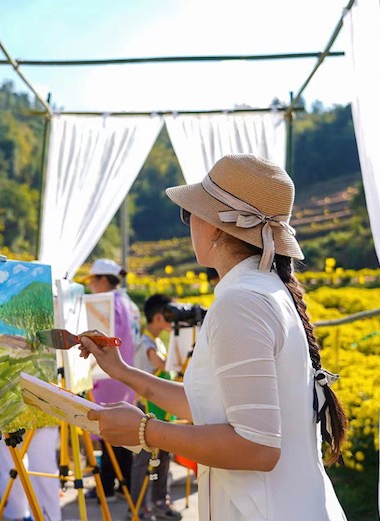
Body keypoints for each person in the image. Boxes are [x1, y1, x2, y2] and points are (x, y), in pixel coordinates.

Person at [79, 154, 348, 520]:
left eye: (190, 213)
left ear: (218, 227)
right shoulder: (262, 291)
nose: (188, 225)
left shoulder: (242, 302)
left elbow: (257, 448)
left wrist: (145, 430)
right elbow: (212, 405)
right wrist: (123, 371)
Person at [83, 258, 136, 501]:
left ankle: (106, 487)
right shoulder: (126, 302)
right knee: (122, 432)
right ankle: (125, 482)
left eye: (93, 280)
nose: (91, 285)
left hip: (107, 375)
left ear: (103, 280)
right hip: (125, 374)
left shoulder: (104, 304)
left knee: (108, 431)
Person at [131, 293, 182, 520]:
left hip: (163, 411)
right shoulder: (146, 344)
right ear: (159, 318)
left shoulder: (158, 342)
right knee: (144, 461)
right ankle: (139, 506)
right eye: (170, 316)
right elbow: (163, 364)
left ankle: (160, 500)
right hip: (147, 411)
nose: (173, 322)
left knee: (163, 458)